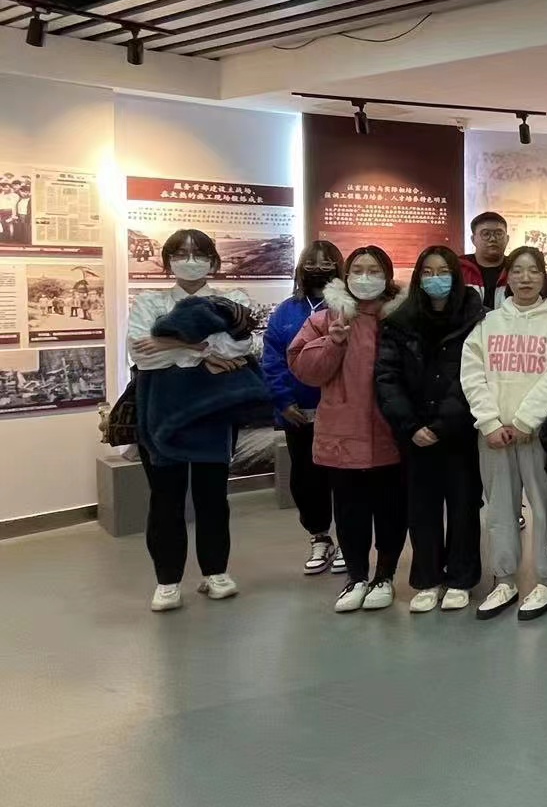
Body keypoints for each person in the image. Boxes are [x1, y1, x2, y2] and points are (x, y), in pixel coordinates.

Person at [128, 230, 260, 611]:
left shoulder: (231, 300)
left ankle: (215, 572)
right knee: (165, 498)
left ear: (213, 261)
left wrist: (172, 342)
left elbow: (239, 346)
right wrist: (202, 351)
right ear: (167, 260)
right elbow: (142, 354)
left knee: (213, 496)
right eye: (180, 253)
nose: (190, 260)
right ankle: (167, 581)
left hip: (213, 411)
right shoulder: (149, 301)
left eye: (198, 253)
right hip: (161, 411)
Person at [458, 247, 547, 620]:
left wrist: (526, 421)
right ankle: (505, 579)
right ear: (507, 277)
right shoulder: (488, 322)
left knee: (544, 507)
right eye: (518, 271)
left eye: (534, 271)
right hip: (494, 436)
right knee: (499, 510)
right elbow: (472, 373)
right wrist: (490, 422)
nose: (526, 278)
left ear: (544, 276)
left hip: (537, 434)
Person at [288, 247, 409, 614]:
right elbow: (305, 370)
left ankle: (384, 576)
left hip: (391, 429)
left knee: (391, 509)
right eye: (358, 270)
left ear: (387, 276)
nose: (365, 277)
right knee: (350, 510)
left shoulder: (401, 317)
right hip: (343, 430)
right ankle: (356, 577)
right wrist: (334, 341)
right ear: (346, 275)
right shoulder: (326, 318)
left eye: (374, 270)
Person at [374, 246, 485, 614]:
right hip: (415, 433)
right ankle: (427, 578)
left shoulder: (477, 318)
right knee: (421, 510)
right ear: (418, 277)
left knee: (463, 507)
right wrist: (411, 425)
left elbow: (476, 377)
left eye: (443, 271)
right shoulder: (399, 321)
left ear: (456, 275)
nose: (436, 279)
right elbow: (387, 378)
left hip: (460, 431)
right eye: (428, 272)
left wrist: (443, 424)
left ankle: (461, 578)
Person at [263, 240, 345, 576]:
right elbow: (272, 358)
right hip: (298, 412)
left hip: (340, 412)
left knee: (344, 478)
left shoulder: (347, 307)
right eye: (312, 263)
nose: (319, 269)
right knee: (306, 479)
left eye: (327, 263)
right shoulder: (286, 310)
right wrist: (283, 400)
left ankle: (348, 539)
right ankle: (320, 536)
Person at [460, 212, 510, 310]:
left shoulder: (516, 269)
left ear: (507, 239)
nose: (493, 239)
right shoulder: (458, 268)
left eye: (499, 234)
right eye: (486, 234)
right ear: (473, 239)